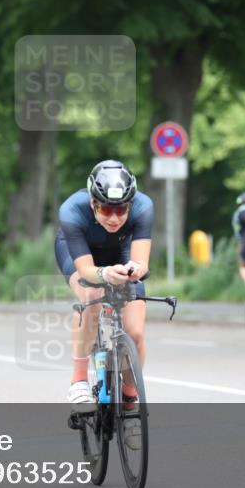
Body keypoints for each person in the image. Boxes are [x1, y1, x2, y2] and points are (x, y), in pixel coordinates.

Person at [54, 160, 153, 408]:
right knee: (91, 295)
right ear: (92, 203)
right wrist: (106, 273)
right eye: (106, 210)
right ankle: (78, 382)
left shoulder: (144, 206)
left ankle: (130, 391)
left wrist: (135, 270)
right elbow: (86, 270)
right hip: (79, 251)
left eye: (121, 210)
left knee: (136, 332)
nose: (114, 218)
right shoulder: (71, 210)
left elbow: (142, 263)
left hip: (120, 252)